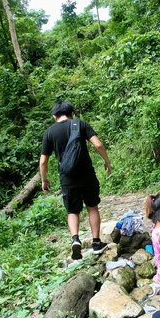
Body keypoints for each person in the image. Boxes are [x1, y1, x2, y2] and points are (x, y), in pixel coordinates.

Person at [40, 100, 112, 260]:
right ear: (71, 113)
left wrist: (44, 181)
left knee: (72, 211)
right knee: (92, 207)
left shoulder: (49, 132)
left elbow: (43, 161)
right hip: (86, 174)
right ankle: (96, 243)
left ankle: (75, 239)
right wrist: (107, 162)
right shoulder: (80, 124)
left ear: (54, 116)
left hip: (67, 178)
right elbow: (98, 145)